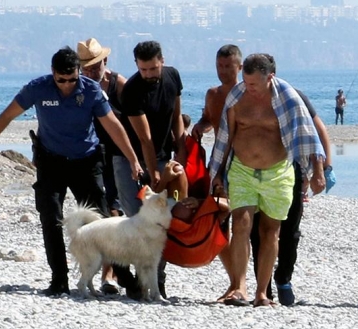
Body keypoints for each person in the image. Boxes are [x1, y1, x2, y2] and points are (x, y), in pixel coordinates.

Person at [0, 46, 143, 297]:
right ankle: (59, 279)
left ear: (79, 73)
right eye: (61, 80)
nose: (66, 85)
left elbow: (114, 126)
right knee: (50, 217)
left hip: (86, 161)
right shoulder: (38, 88)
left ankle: (124, 275)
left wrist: (133, 159)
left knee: (103, 219)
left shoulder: (91, 90)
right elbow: (8, 115)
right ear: (53, 73)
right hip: (51, 162)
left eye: (72, 79)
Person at [209, 53, 326, 307]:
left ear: (269, 78)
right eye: (245, 81)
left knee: (270, 231)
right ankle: (239, 288)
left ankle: (262, 293)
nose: (247, 87)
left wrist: (318, 171)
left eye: (253, 84)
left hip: (278, 172)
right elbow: (226, 137)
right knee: (241, 223)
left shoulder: (288, 98)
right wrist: (217, 171)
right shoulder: (237, 97)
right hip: (242, 169)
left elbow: (308, 134)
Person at [114, 40, 186, 298]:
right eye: (143, 70)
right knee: (136, 220)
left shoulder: (173, 76)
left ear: (162, 61)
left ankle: (157, 280)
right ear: (136, 66)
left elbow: (177, 116)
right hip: (130, 159)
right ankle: (134, 278)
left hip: (165, 156)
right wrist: (153, 173)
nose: (149, 75)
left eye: (153, 69)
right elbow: (144, 139)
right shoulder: (132, 90)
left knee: (164, 218)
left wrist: (182, 150)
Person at [78, 37, 127, 294]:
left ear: (104, 62)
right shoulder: (77, 87)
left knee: (115, 209)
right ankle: (95, 270)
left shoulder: (120, 85)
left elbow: (134, 119)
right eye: (84, 69)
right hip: (91, 154)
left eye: (94, 67)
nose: (89, 73)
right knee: (98, 209)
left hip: (117, 154)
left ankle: (111, 273)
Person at [191, 44, 243, 141]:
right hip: (219, 154)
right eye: (219, 65)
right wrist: (200, 126)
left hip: (243, 154)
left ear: (240, 67)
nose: (223, 71)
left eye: (228, 66)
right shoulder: (212, 95)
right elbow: (208, 120)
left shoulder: (247, 95)